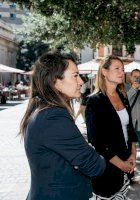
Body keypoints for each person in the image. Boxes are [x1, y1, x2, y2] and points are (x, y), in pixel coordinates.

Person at [19, 51, 106, 200]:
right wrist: (92, 153)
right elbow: (96, 166)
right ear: (56, 81)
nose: (81, 81)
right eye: (75, 75)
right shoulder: (53, 117)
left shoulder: (44, 110)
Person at [85, 55, 138, 199]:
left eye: (123, 69)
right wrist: (121, 164)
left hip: (126, 164)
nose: (122, 72)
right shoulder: (94, 101)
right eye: (117, 69)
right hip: (107, 167)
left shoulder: (123, 96)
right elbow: (97, 142)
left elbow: (130, 129)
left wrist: (133, 154)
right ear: (104, 71)